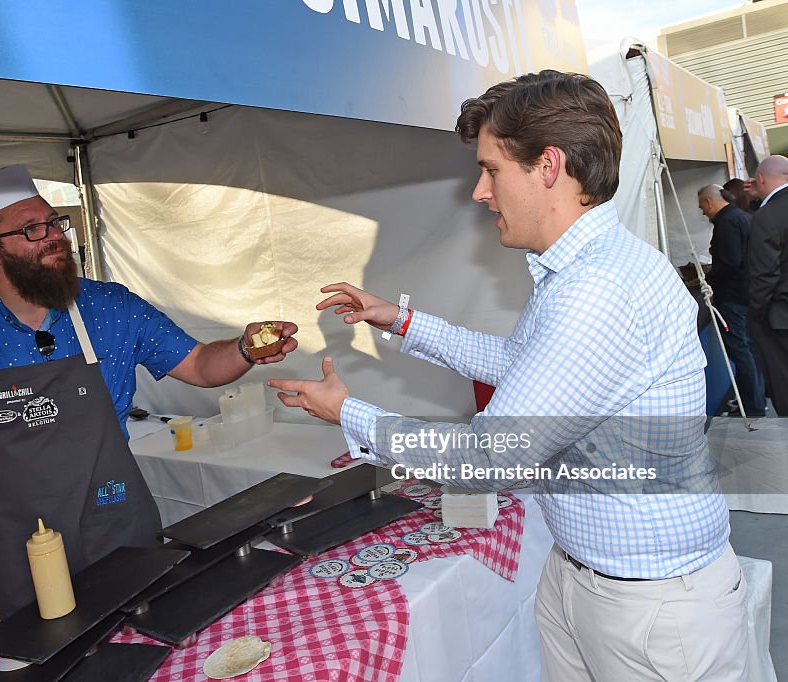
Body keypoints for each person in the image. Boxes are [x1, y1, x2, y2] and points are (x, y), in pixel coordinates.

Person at [271, 71, 748, 680]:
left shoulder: (598, 291)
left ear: (548, 166)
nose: (479, 192)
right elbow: (520, 367)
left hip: (648, 607)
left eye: (491, 169)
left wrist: (351, 413)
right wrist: (399, 319)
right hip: (591, 576)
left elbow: (486, 461)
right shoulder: (581, 271)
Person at [0, 165, 299, 635]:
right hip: (11, 553)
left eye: (55, 224)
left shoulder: (110, 307)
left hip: (116, 530)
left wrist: (244, 349)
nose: (54, 237)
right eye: (33, 230)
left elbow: (198, 365)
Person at [697, 184, 766, 416]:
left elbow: (729, 262)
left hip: (733, 297)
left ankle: (753, 406)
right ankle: (755, 399)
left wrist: (708, 277)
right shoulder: (741, 217)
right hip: (747, 293)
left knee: (740, 351)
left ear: (709, 202)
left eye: (702, 208)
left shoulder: (726, 223)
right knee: (748, 349)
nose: (703, 213)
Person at [746, 154, 788, 416]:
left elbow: (764, 274)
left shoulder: (767, 216)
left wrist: (756, 314)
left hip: (779, 317)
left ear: (760, 179)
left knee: (783, 382)